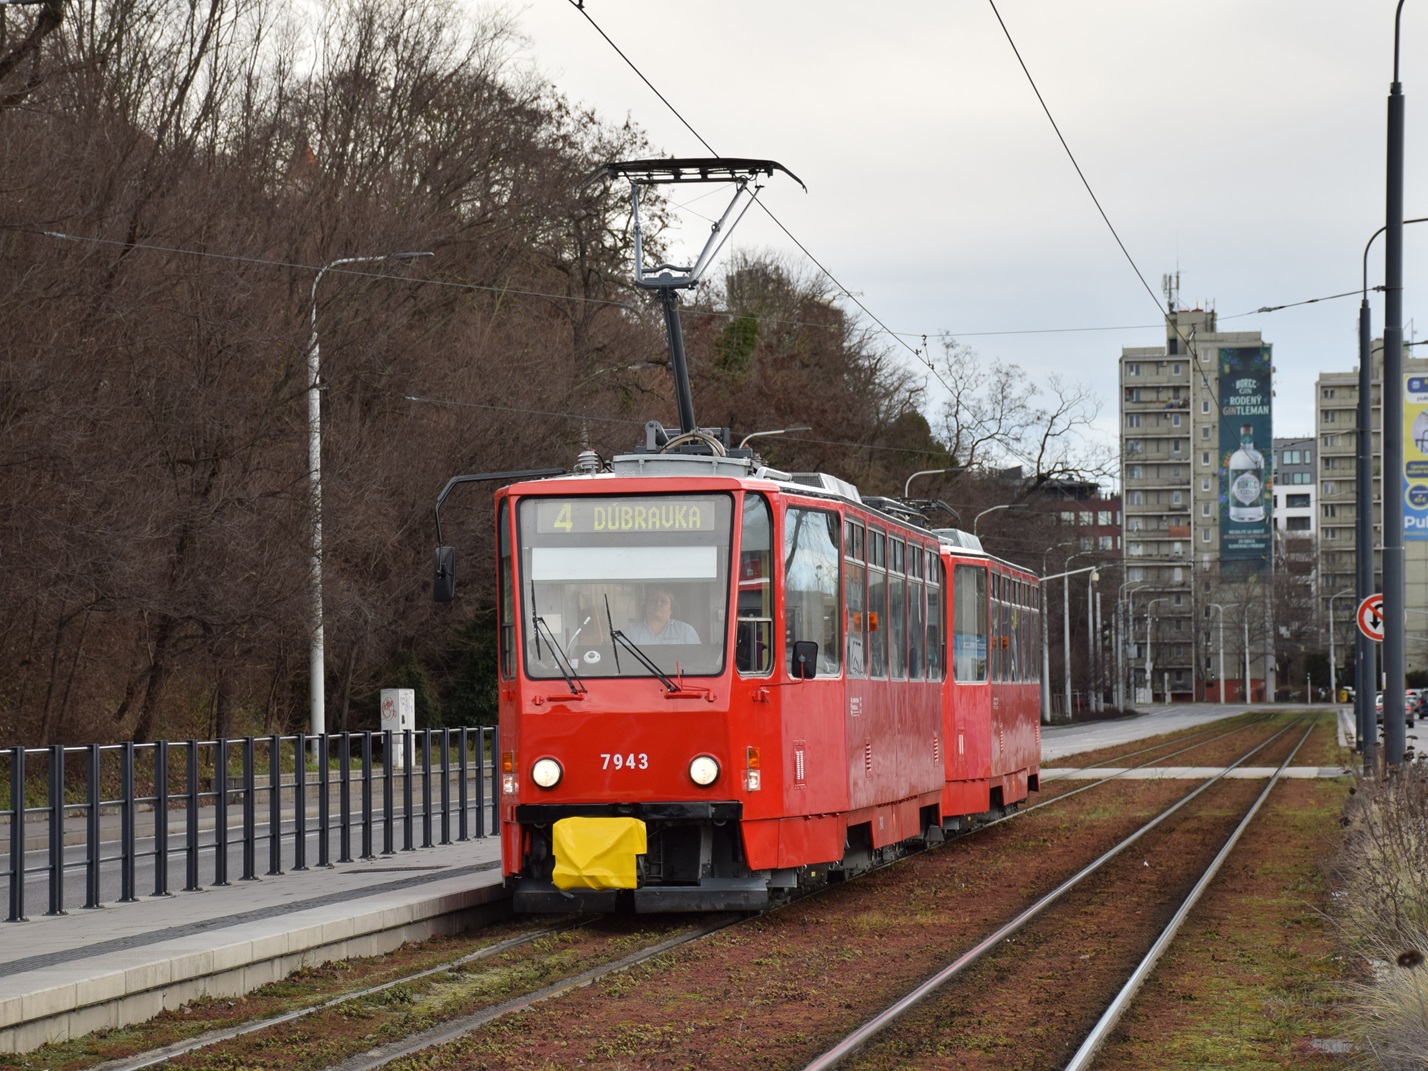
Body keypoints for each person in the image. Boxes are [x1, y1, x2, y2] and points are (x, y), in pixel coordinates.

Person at [625, 588, 699, 644]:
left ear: (671, 609)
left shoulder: (686, 631)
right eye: (653, 600)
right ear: (646, 606)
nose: (658, 604)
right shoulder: (629, 633)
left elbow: (696, 658)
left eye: (663, 601)